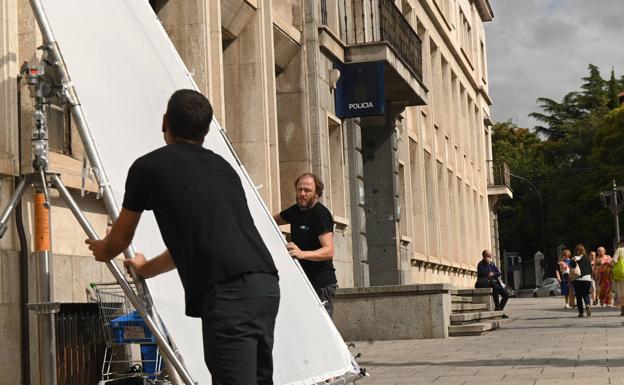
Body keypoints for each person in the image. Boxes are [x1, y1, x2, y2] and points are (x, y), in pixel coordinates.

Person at [85, 89, 280, 384]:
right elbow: (195, 242)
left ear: (165, 122)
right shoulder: (222, 167)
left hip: (228, 292)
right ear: (205, 130)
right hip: (264, 285)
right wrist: (144, 269)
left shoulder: (148, 167)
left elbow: (121, 238)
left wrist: (104, 249)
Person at [273, 173, 337, 318]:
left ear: (317, 193)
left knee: (322, 328)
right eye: (299, 189)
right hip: (302, 280)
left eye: (307, 190)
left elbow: (329, 251)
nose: (302, 194)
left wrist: (302, 254)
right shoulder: (295, 211)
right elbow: (270, 220)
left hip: (321, 284)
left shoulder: (320, 214)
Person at [475, 250, 509, 315]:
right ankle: (497, 306)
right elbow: (482, 273)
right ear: (484, 256)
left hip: (494, 282)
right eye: (488, 256)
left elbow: (498, 273)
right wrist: (488, 267)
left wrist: (493, 273)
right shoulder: (481, 264)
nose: (490, 258)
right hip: (485, 283)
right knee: (495, 287)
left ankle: (499, 310)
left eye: (490, 256)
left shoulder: (492, 264)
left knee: (506, 294)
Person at [570, 244, 592, 317]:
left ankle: (581, 313)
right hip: (587, 279)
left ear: (575, 251)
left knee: (578, 296)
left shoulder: (573, 258)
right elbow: (590, 270)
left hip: (577, 279)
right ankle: (588, 305)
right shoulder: (587, 258)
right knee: (586, 294)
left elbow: (572, 268)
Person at [612, 240, 624, 316]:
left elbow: (614, 260)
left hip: (621, 274)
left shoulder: (619, 250)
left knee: (622, 292)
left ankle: (623, 310)